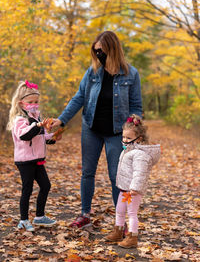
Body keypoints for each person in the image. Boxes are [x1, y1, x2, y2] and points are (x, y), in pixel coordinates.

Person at [52, 30, 143, 228]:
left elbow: (136, 105)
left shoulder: (131, 73)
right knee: (87, 172)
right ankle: (84, 214)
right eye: (96, 51)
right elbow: (79, 98)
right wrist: (61, 120)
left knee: (116, 176)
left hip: (117, 132)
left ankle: (121, 222)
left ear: (112, 49)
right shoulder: (92, 72)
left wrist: (134, 126)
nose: (98, 55)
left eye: (101, 51)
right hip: (91, 128)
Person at [7, 80, 59, 232]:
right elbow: (25, 136)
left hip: (37, 159)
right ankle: (23, 220)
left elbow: (40, 137)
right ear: (21, 103)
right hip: (25, 161)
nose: (34, 104)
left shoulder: (36, 118)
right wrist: (37, 126)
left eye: (36, 101)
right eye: (31, 102)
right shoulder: (19, 120)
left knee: (46, 185)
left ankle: (39, 216)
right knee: (27, 189)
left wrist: (53, 137)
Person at [105, 114, 161, 248]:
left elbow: (139, 173)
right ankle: (118, 231)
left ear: (138, 139)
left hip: (132, 191)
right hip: (124, 189)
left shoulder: (140, 155)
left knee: (131, 213)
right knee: (119, 210)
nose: (124, 140)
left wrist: (135, 188)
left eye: (128, 138)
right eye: (123, 137)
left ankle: (132, 237)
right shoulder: (127, 151)